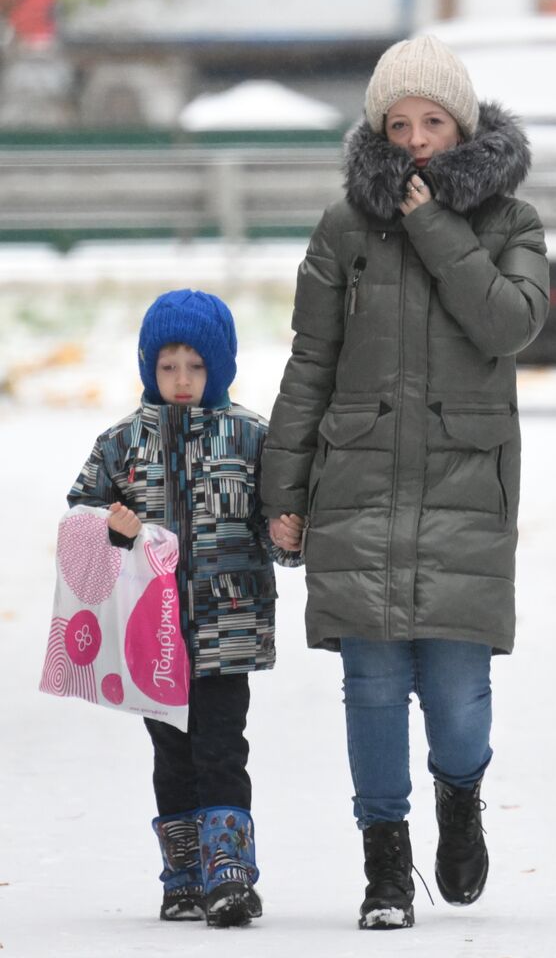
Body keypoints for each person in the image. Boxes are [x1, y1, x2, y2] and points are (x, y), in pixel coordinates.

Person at [261, 33, 548, 930]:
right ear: (378, 131)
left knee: (459, 701)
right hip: (359, 486)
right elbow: (311, 363)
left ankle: (459, 798)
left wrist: (434, 225)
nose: (417, 140)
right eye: (399, 124)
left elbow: (510, 325)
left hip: (464, 488)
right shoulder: (343, 228)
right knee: (374, 692)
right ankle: (384, 864)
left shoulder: (513, 222)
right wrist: (284, 493)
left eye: (433, 122)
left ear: (463, 126)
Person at [66, 288, 302, 927]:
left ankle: (230, 871)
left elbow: (276, 528)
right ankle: (184, 874)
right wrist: (111, 529)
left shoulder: (251, 437)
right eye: (167, 366)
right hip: (152, 634)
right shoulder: (122, 443)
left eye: (195, 367)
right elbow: (81, 523)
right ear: (148, 366)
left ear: (219, 368)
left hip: (229, 625)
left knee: (222, 746)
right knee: (171, 752)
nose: (180, 380)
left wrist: (286, 536)